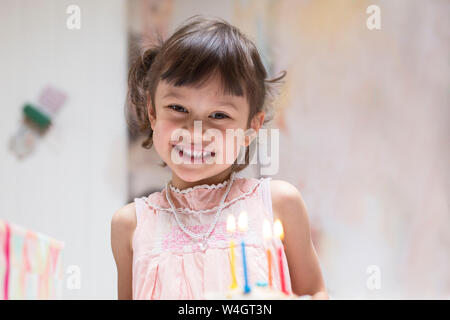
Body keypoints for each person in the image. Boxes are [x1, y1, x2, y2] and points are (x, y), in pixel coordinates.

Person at [111, 15, 328, 300]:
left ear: (252, 126)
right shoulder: (130, 225)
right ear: (153, 113)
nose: (195, 131)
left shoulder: (278, 204)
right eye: (178, 107)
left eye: (219, 115)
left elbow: (315, 293)